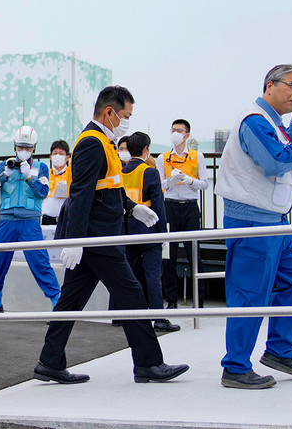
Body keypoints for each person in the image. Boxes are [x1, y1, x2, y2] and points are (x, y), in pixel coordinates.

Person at [34, 85, 189, 385]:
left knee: (70, 301)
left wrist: (132, 209)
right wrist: (77, 240)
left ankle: (49, 361)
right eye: (126, 116)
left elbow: (108, 187)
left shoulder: (104, 141)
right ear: (109, 113)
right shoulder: (92, 143)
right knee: (131, 293)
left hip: (98, 235)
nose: (128, 122)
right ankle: (148, 363)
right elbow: (79, 194)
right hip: (96, 238)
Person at [215, 64, 292, 389]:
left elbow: (280, 152)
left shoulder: (272, 122)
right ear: (269, 85)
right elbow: (275, 162)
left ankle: (279, 350)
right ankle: (236, 367)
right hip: (253, 220)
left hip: (275, 221)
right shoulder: (255, 120)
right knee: (250, 295)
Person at [0, 126, 61, 312]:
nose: (24, 151)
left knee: (39, 261)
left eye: (28, 147)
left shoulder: (41, 168)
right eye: (20, 146)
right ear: (15, 146)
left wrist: (29, 176)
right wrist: (5, 174)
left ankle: (57, 303)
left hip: (30, 222)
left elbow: (43, 192)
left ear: (34, 148)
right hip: (7, 220)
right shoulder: (4, 165)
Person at [115, 132, 179, 333]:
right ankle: (159, 318)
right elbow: (159, 206)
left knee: (128, 275)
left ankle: (121, 315)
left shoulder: (121, 172)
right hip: (148, 231)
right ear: (145, 150)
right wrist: (163, 234)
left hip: (125, 231)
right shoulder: (150, 172)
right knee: (152, 275)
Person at [156, 119, 209, 311]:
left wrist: (189, 180)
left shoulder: (197, 157)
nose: (176, 133)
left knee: (194, 253)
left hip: (189, 207)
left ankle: (199, 300)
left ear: (187, 135)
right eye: (173, 130)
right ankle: (171, 300)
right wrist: (170, 181)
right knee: (169, 257)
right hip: (169, 206)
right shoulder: (163, 158)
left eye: (179, 130)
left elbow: (204, 183)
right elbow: (160, 185)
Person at [41, 140, 72, 227]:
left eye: (61, 153)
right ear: (50, 157)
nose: (57, 156)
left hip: (66, 218)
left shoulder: (72, 174)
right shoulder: (45, 174)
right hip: (47, 219)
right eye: (55, 153)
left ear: (67, 157)